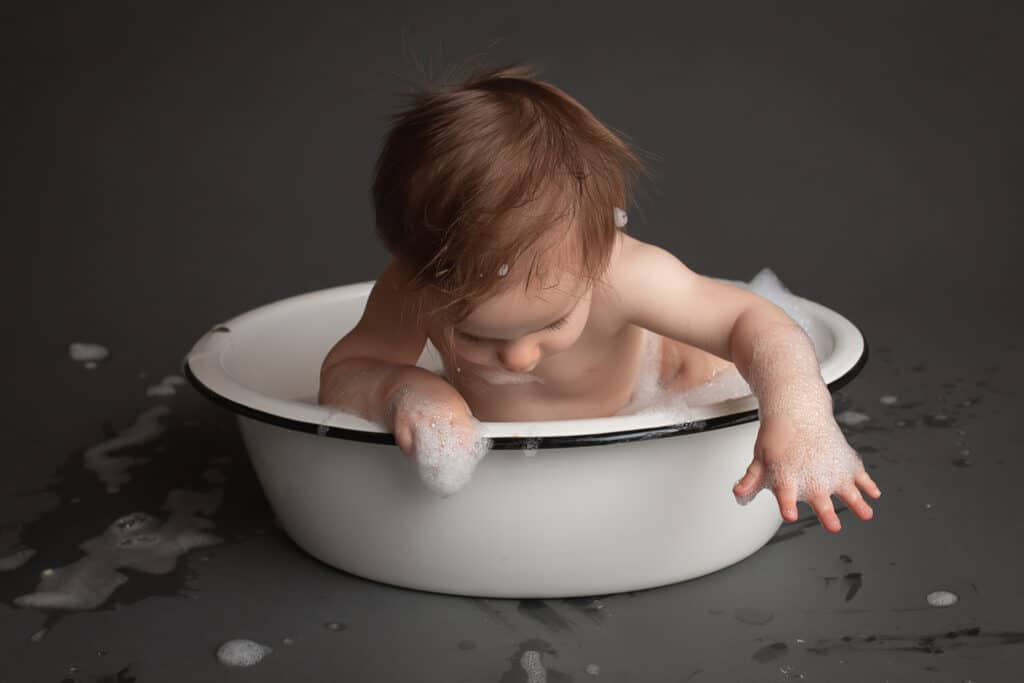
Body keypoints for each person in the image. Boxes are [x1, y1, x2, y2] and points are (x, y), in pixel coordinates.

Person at [319, 62, 881, 532]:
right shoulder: (413, 284)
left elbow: (754, 320)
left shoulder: (628, 274)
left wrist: (800, 416)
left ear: (595, 258)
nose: (518, 358)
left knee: (714, 359)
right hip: (529, 473)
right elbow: (346, 371)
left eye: (552, 322)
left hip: (668, 402)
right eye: (474, 334)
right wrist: (403, 388)